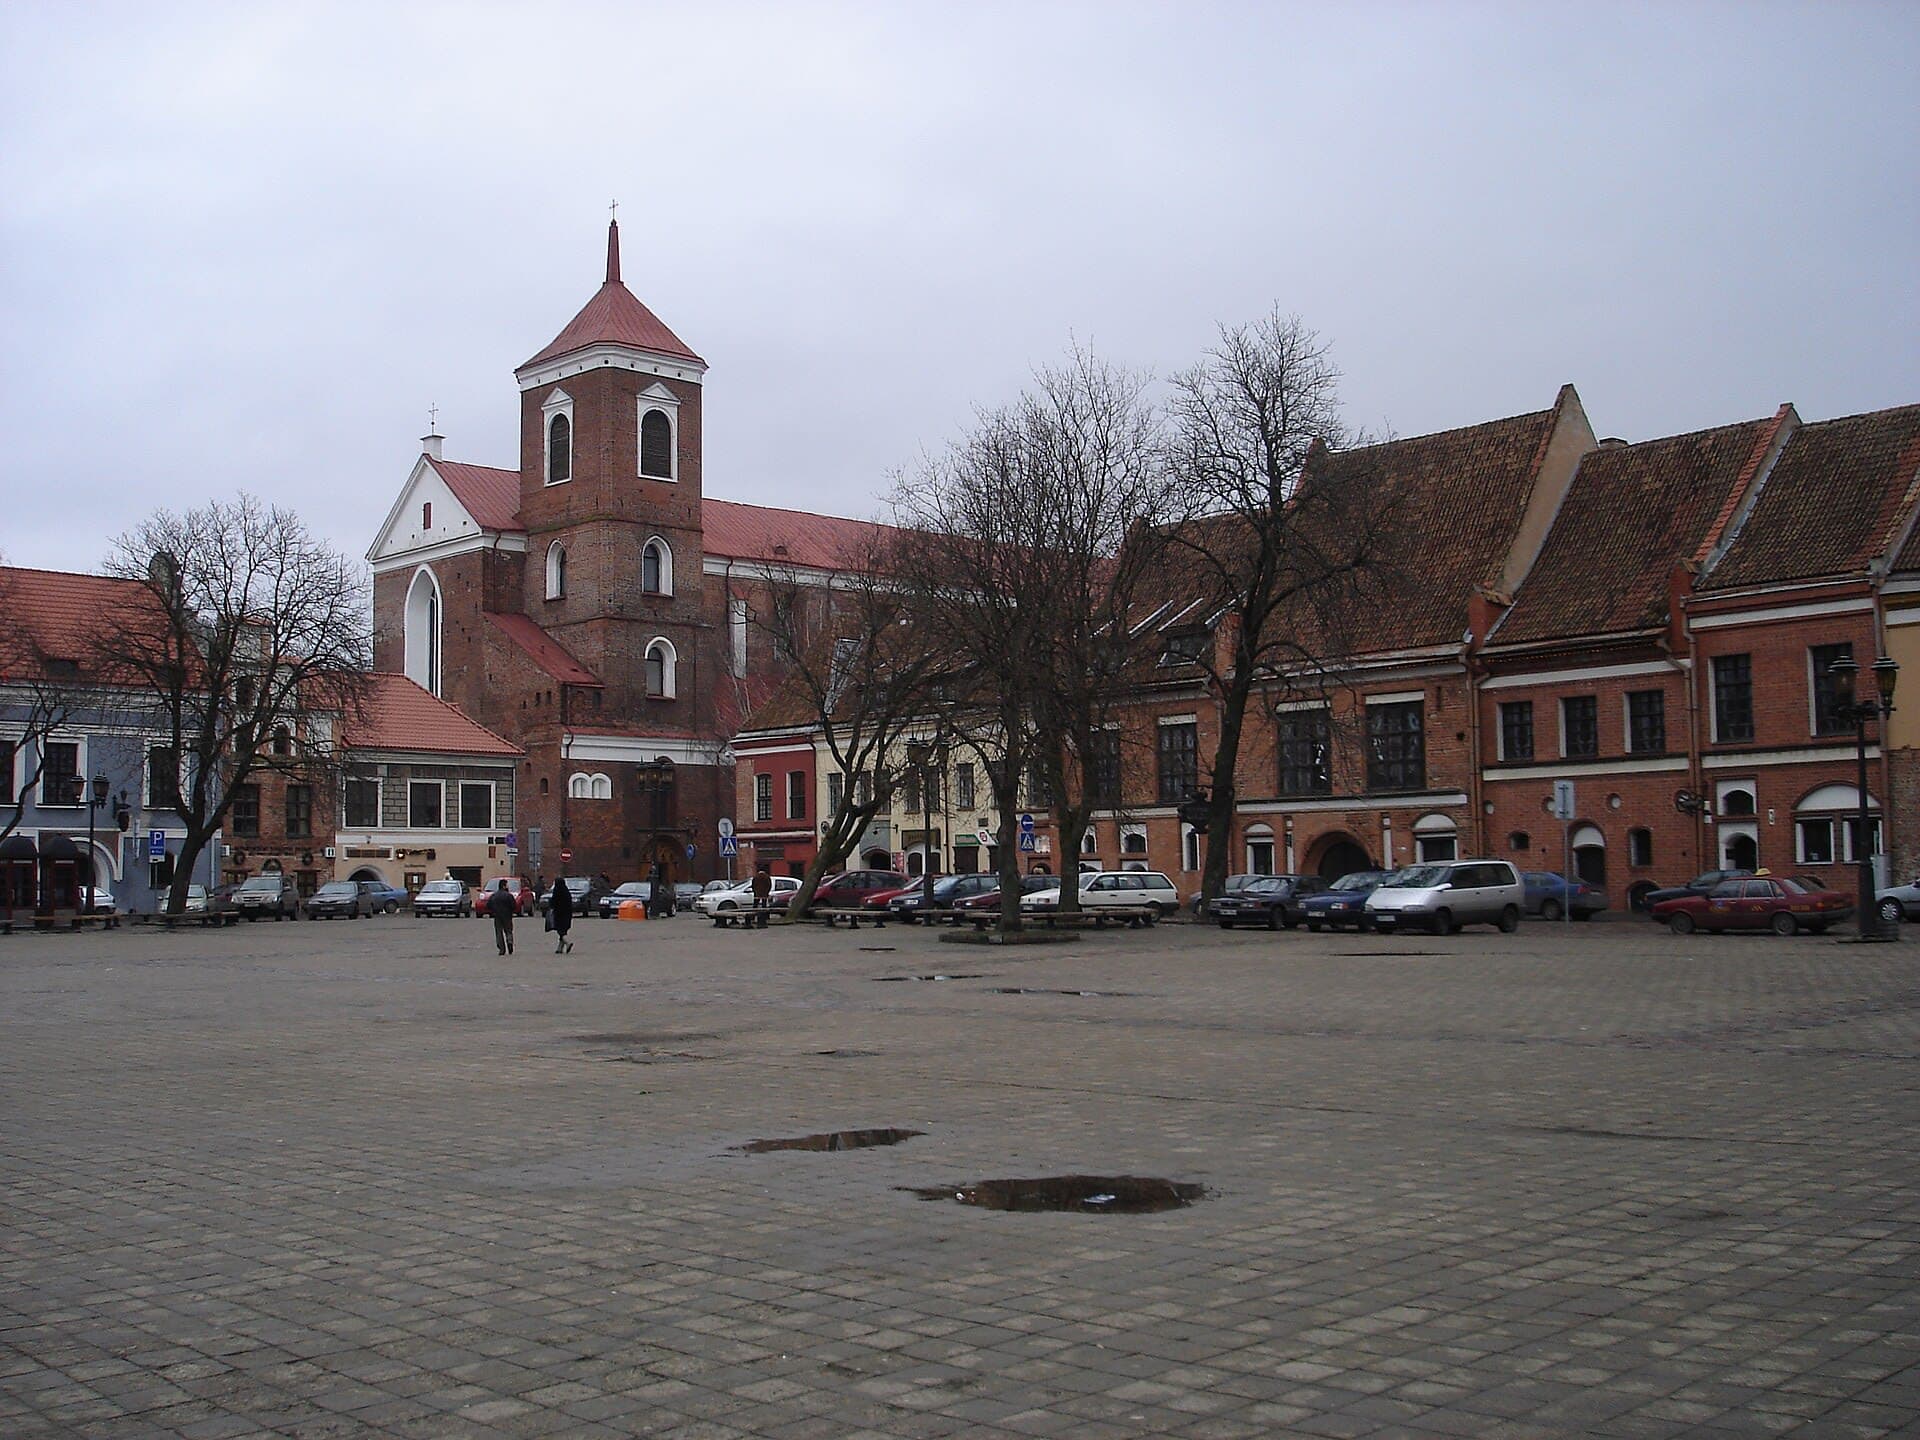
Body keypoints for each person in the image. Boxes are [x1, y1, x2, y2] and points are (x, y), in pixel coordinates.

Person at [485, 877, 517, 955]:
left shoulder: (494, 896)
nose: (508, 887)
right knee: (508, 931)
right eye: (507, 885)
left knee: (499, 932)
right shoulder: (509, 895)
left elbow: (488, 905)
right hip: (507, 916)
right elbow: (514, 905)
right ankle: (509, 943)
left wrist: (493, 911)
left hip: (497, 916)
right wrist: (511, 911)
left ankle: (501, 949)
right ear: (503, 886)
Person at [549, 875, 573, 953]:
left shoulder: (557, 892)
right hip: (567, 915)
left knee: (560, 931)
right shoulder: (566, 892)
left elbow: (553, 902)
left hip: (559, 914)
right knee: (563, 931)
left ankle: (567, 943)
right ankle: (559, 948)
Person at [750, 863, 772, 929]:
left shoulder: (755, 877)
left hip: (757, 894)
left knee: (755, 905)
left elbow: (753, 885)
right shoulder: (767, 877)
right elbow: (769, 885)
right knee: (764, 906)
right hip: (764, 894)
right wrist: (767, 892)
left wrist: (755, 891)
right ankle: (764, 918)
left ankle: (752, 917)